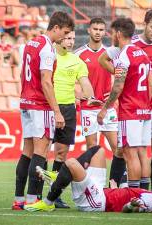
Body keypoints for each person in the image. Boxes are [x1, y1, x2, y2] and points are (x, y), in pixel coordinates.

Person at [100, 9, 152, 192]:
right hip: (139, 105)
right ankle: (116, 185)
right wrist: (118, 73)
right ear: (145, 24)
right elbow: (104, 58)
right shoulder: (131, 43)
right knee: (125, 150)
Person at [13, 11, 75, 210]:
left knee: (27, 152)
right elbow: (46, 83)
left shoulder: (31, 43)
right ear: (55, 27)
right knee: (40, 153)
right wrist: (57, 111)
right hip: (40, 105)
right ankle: (32, 200)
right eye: (64, 32)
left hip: (26, 102)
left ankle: (19, 200)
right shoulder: (48, 49)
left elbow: (24, 73)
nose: (65, 37)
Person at [24, 146, 152, 213]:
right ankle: (59, 178)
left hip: (97, 201)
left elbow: (131, 208)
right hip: (104, 192)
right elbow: (131, 196)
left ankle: (48, 202)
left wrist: (131, 205)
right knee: (98, 151)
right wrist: (117, 190)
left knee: (71, 163)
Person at [97, 18, 152, 190]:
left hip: (130, 112)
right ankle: (145, 193)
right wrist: (144, 103)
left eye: (112, 33)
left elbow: (118, 86)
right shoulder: (142, 54)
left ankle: (135, 194)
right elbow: (151, 85)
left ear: (119, 34)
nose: (111, 36)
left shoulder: (124, 56)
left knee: (130, 154)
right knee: (142, 153)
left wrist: (105, 109)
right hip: (144, 111)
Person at [51, 30, 99, 208]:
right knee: (38, 152)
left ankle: (53, 195)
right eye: (67, 38)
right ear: (59, 37)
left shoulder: (77, 61)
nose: (71, 42)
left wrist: (89, 95)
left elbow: (86, 85)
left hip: (68, 109)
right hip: (47, 107)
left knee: (61, 153)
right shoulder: (50, 56)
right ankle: (33, 193)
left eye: (72, 38)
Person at [75, 18, 123, 187]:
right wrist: (79, 94)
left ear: (105, 32)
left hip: (107, 107)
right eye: (95, 28)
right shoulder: (79, 54)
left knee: (118, 147)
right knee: (92, 148)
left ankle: (117, 183)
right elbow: (71, 81)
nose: (98, 32)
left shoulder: (111, 53)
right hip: (88, 109)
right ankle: (95, 186)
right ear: (89, 30)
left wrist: (116, 92)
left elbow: (121, 75)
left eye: (101, 29)